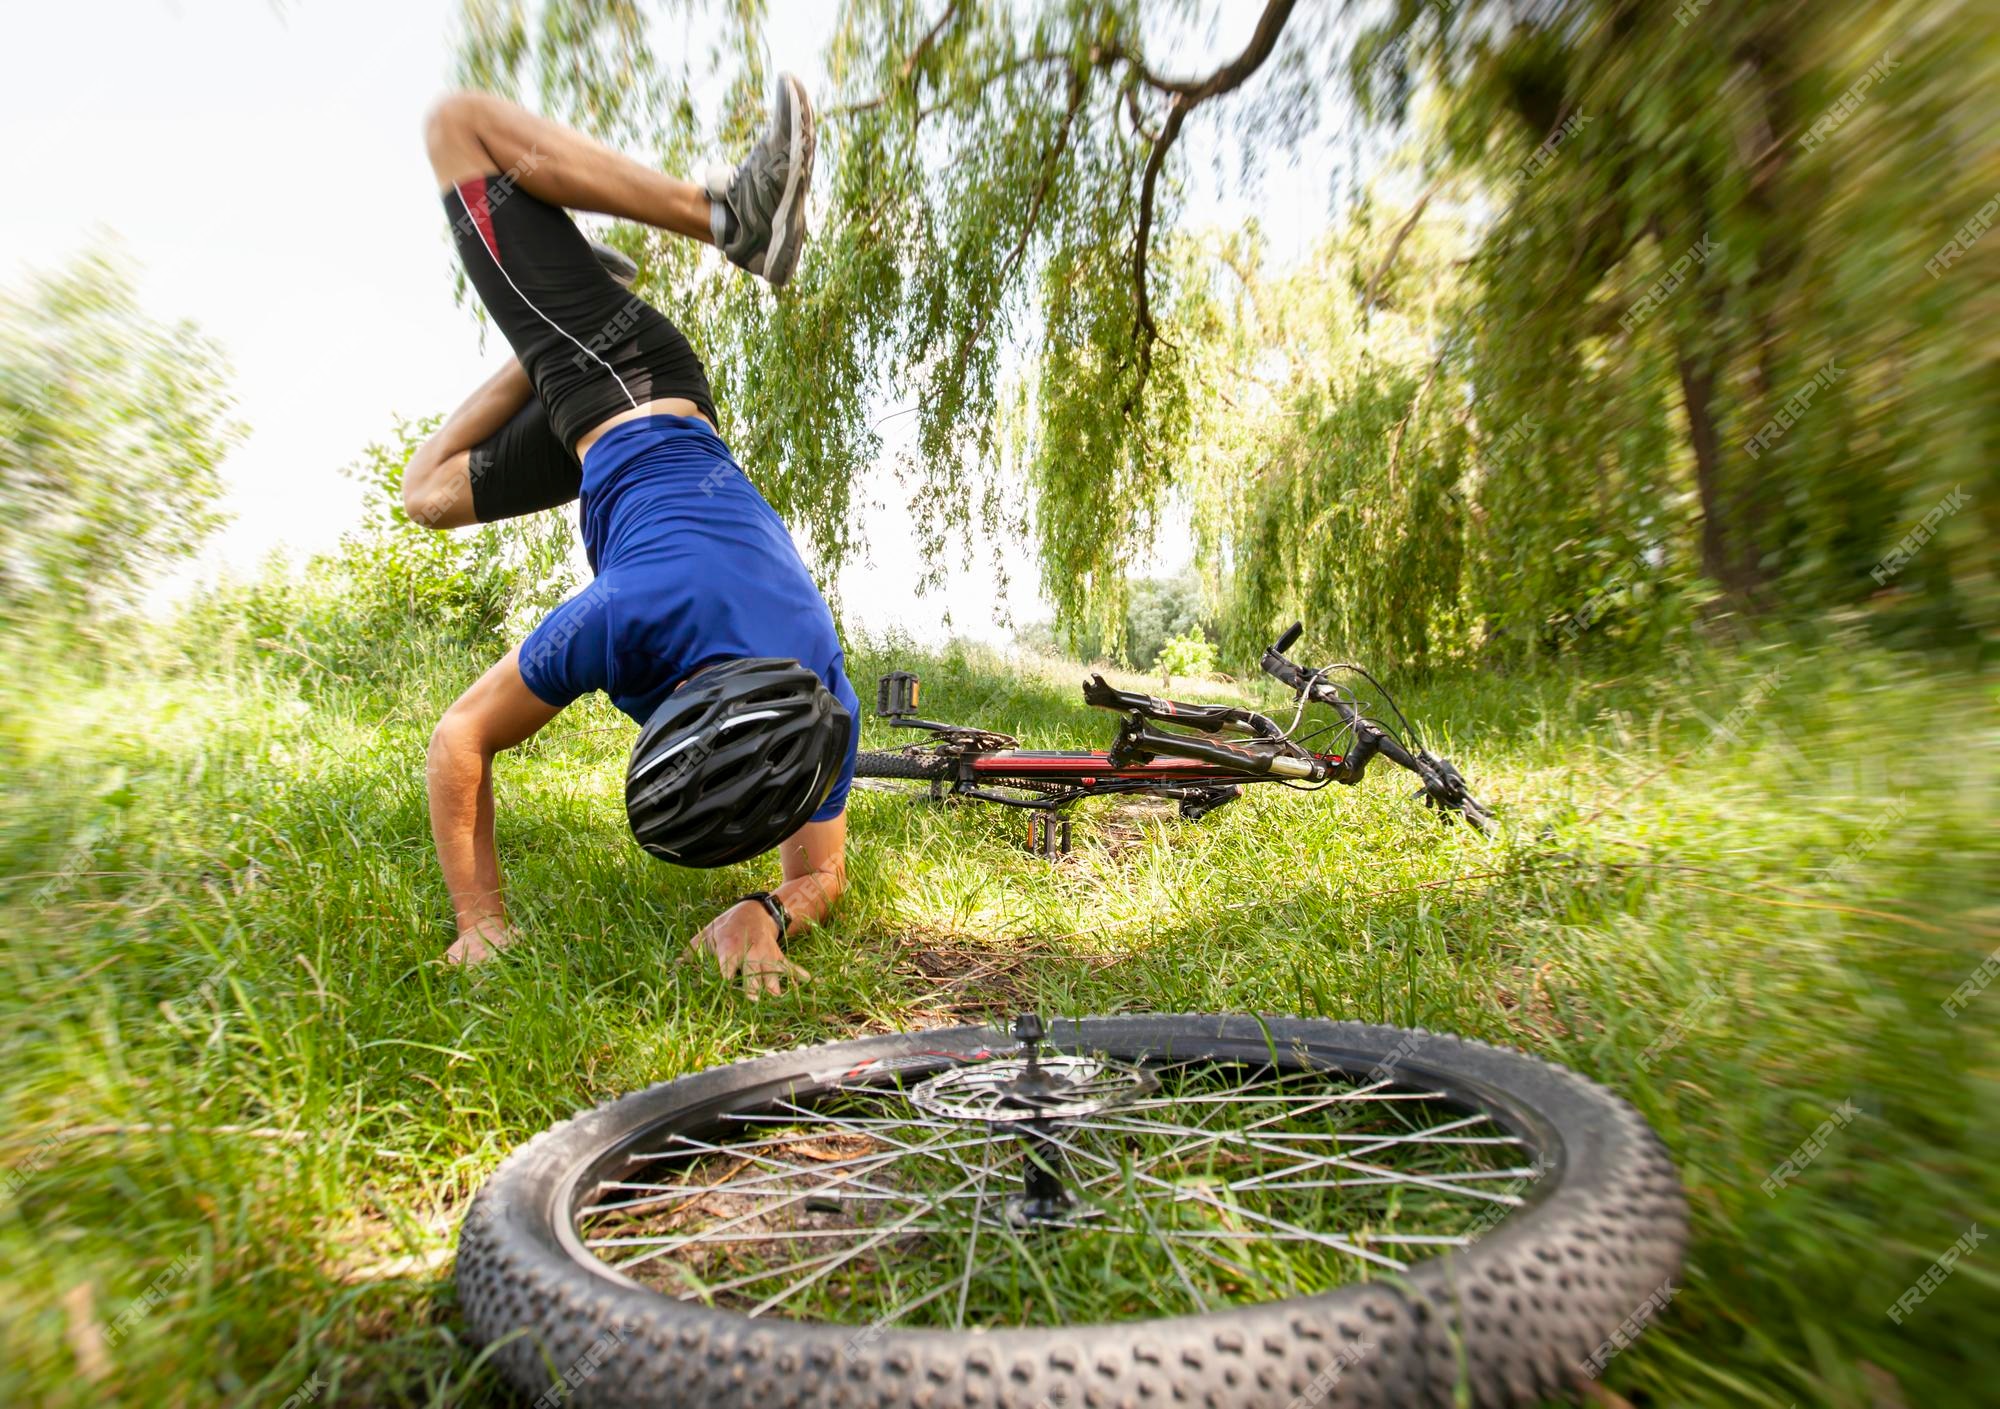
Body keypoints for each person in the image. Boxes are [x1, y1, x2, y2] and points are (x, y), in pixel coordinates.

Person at [399, 76, 856, 996]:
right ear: (680, 683)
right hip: (629, 386)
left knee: (430, 495)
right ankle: (733, 215)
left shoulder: (821, 706)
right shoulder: (630, 614)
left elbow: (821, 874)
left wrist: (764, 911)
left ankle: (563, 308)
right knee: (457, 124)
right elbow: (459, 739)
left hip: (605, 446)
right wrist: (478, 922)